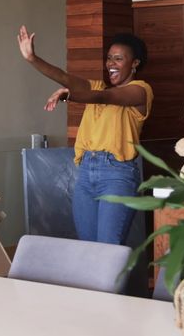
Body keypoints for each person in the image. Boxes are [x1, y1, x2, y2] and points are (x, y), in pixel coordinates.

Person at [17, 25, 153, 244]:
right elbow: (63, 76)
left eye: (118, 59)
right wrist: (32, 58)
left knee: (108, 250)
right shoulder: (97, 87)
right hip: (85, 174)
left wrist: (71, 96)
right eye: (109, 58)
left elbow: (105, 97)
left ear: (135, 63)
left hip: (117, 175)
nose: (111, 64)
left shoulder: (140, 91)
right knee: (88, 251)